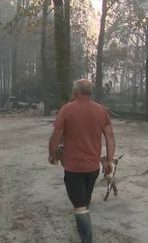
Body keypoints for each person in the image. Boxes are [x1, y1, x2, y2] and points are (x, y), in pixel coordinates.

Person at [48, 79, 115, 243]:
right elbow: (110, 137)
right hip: (93, 169)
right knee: (84, 200)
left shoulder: (67, 110)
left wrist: (52, 154)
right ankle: (84, 224)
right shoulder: (101, 111)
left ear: (75, 92)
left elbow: (56, 136)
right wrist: (109, 160)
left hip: (74, 168)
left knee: (80, 207)